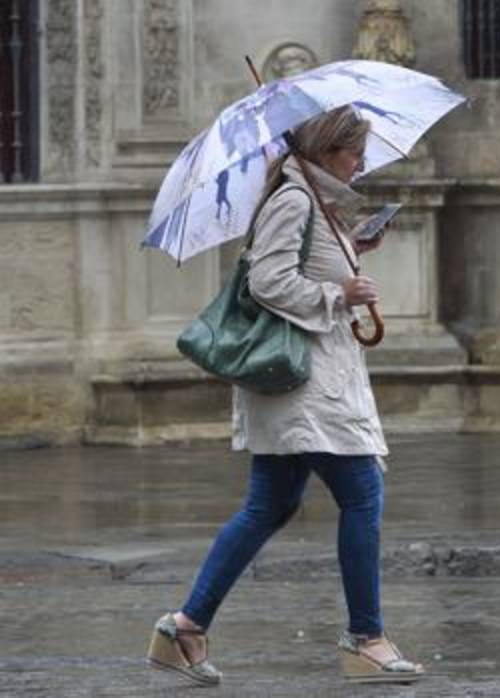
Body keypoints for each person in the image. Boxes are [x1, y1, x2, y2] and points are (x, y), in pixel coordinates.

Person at [145, 106, 423, 687]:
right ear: (327, 150)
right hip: (307, 384)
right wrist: (338, 294)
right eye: (354, 152)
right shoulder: (295, 199)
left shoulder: (314, 201)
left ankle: (184, 628)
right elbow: (265, 281)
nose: (362, 162)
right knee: (362, 493)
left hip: (304, 383)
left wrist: (352, 252)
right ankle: (366, 637)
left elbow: (296, 266)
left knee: (269, 506)